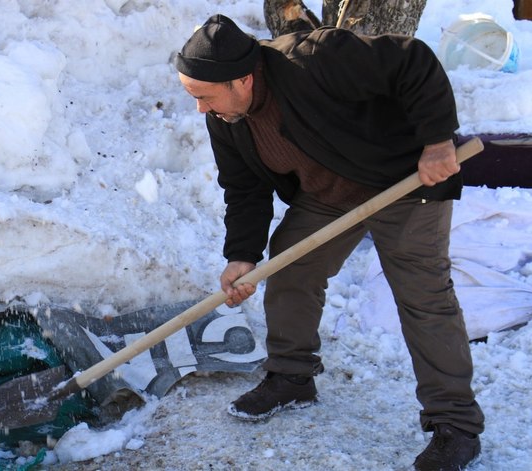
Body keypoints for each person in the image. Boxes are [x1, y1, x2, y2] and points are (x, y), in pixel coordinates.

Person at [174, 14, 485, 471]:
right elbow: (243, 188)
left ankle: (456, 426)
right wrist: (242, 255)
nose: (200, 109)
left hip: (404, 181)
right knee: (290, 269)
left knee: (423, 297)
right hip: (330, 193)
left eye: (203, 96)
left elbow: (412, 61)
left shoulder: (315, 58)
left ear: (242, 79)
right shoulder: (228, 115)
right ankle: (292, 377)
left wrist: (437, 141)